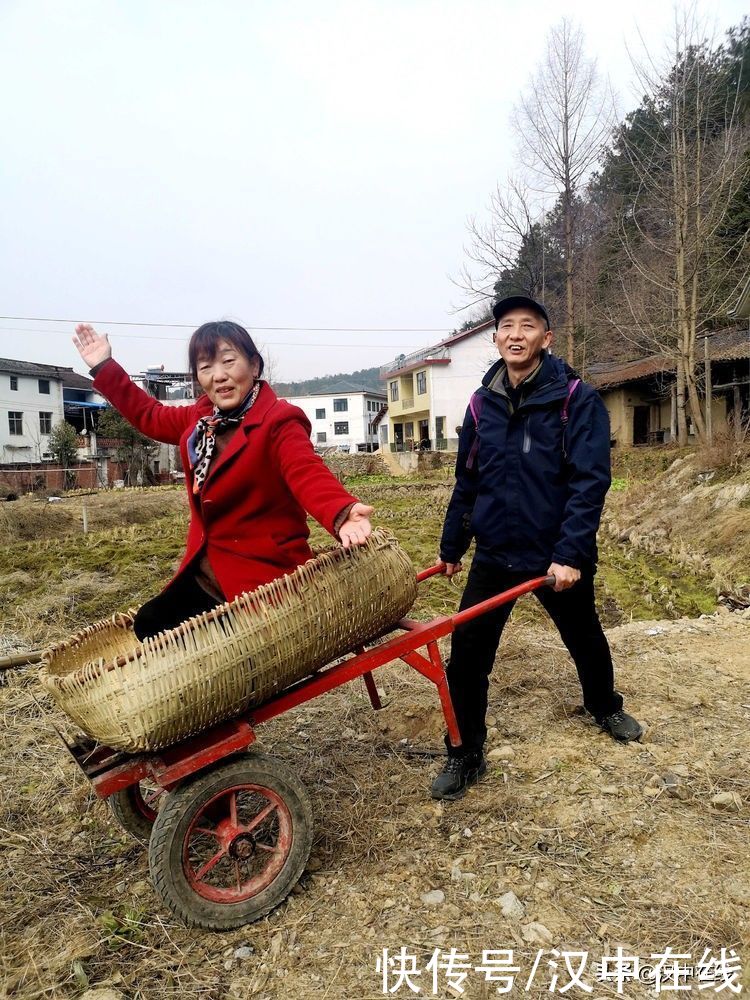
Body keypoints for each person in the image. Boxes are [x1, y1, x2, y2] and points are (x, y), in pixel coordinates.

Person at [431, 295, 642, 801]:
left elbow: (589, 483)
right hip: (495, 552)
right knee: (466, 657)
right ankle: (465, 753)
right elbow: (468, 480)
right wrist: (453, 543)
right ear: (498, 337)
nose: (516, 334)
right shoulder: (482, 404)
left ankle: (605, 706)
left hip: (555, 555)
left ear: (547, 339)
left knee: (584, 636)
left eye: (529, 326)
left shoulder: (575, 399)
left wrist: (570, 554)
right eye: (507, 326)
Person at [72, 320, 373, 640]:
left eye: (229, 361)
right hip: (207, 573)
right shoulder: (201, 418)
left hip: (261, 577)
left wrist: (341, 512)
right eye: (206, 367)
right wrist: (104, 366)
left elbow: (305, 470)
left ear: (254, 365)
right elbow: (149, 415)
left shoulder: (279, 420)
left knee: (224, 653)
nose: (219, 375)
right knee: (150, 624)